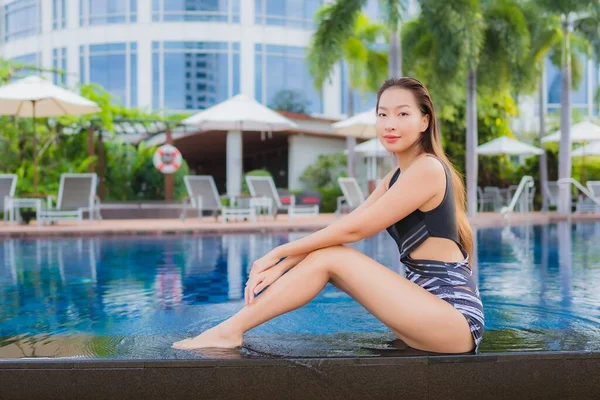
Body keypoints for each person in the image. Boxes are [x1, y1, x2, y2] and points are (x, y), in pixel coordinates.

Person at [173, 77, 485, 354]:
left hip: (454, 319)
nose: (390, 124)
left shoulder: (428, 169)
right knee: (331, 255)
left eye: (403, 114)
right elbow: (344, 225)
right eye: (382, 114)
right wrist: (283, 265)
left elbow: (354, 232)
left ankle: (230, 330)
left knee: (334, 258)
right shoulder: (395, 177)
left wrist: (275, 254)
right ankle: (231, 329)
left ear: (424, 121)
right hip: (426, 313)